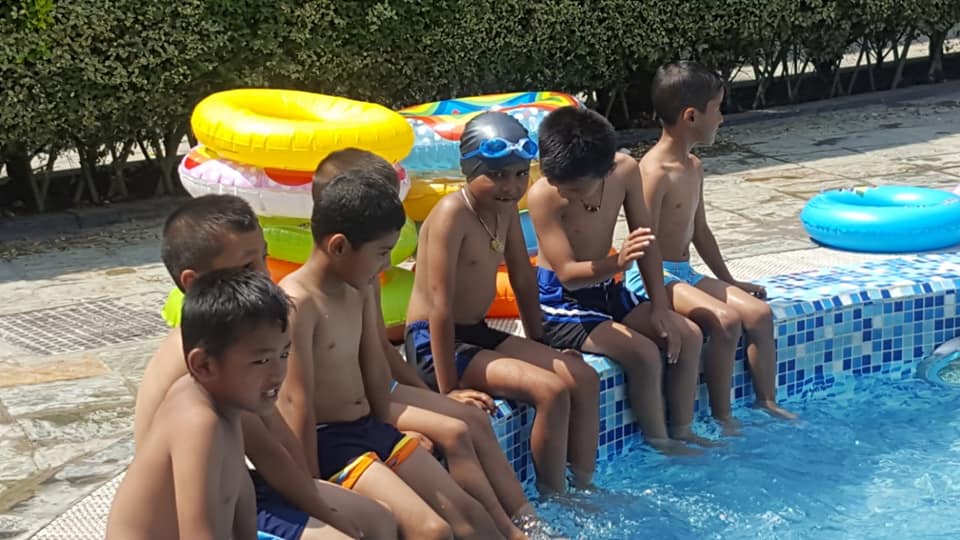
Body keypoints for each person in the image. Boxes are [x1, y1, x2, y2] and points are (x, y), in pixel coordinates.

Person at [134, 194, 396, 540]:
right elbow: (202, 519)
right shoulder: (201, 369)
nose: (265, 275)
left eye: (264, 257)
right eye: (247, 267)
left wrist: (321, 500)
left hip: (238, 487)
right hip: (185, 514)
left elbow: (274, 444)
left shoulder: (240, 351)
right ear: (193, 282)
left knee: (379, 520)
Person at [314, 149, 541, 538]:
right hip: (354, 414)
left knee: (471, 419)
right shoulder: (315, 298)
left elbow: (382, 355)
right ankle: (510, 528)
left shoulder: (364, 280)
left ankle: (523, 522)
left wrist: (431, 394)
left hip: (378, 397)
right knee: (454, 432)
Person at [277, 172, 502, 540]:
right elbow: (294, 401)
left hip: (369, 425)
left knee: (470, 514)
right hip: (329, 442)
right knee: (432, 530)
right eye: (382, 253)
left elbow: (374, 366)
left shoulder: (361, 286)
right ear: (339, 247)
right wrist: (314, 488)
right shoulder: (299, 303)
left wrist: (390, 432)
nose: (385, 265)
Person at [404, 111, 601, 495]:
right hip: (434, 343)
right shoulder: (451, 215)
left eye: (519, 174)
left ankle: (584, 484)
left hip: (475, 333)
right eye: (495, 175)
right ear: (469, 170)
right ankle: (555, 495)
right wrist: (448, 391)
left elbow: (523, 279)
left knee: (584, 377)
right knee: (551, 391)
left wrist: (541, 344)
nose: (510, 186)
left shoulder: (505, 210)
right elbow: (439, 306)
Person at [526, 105, 710, 455]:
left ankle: (683, 430)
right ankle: (661, 443)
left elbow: (646, 242)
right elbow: (568, 275)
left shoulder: (624, 170)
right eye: (557, 183)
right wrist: (618, 262)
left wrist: (659, 307)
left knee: (688, 336)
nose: (563, 193)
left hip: (607, 290)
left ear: (605, 169)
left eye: (574, 188)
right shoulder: (543, 195)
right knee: (644, 354)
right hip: (560, 302)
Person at [624, 61, 796, 426]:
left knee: (759, 314)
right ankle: (723, 417)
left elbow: (700, 230)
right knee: (725, 320)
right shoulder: (653, 172)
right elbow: (644, 242)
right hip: (653, 277)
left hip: (683, 273)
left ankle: (767, 403)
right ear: (691, 116)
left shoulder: (693, 166)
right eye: (717, 109)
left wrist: (729, 281)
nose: (722, 118)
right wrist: (658, 304)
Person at [106, 268, 291, 539]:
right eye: (261, 360)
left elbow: (241, 498)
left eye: (285, 354)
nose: (278, 373)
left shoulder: (228, 404)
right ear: (203, 365)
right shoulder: (198, 422)